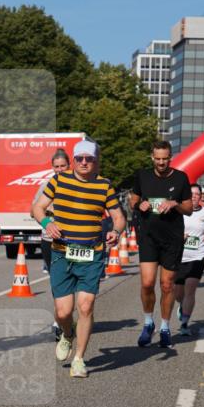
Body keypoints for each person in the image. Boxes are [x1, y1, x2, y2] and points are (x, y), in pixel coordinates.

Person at [32, 138, 125, 377]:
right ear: (73, 160)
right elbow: (37, 208)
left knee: (86, 306)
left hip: (91, 253)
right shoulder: (59, 180)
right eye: (80, 158)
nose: (84, 162)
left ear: (96, 161)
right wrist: (47, 223)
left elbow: (119, 217)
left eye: (89, 159)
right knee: (63, 312)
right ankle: (67, 333)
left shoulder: (104, 186)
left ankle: (79, 359)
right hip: (62, 252)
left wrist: (116, 232)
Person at [129, 140, 193, 348]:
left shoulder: (181, 178)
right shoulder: (143, 176)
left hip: (172, 239)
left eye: (165, 159)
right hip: (148, 237)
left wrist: (175, 204)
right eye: (157, 159)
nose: (161, 163)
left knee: (167, 285)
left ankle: (165, 327)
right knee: (147, 283)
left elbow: (189, 209)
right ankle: (148, 323)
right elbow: (132, 200)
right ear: (152, 157)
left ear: (170, 157)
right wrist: (140, 204)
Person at [174, 185, 204, 336]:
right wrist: (179, 236)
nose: (194, 196)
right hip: (179, 256)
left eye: (197, 194)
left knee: (190, 290)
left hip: (198, 256)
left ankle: (184, 323)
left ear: (201, 196)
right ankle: (182, 305)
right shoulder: (178, 211)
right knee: (178, 294)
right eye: (191, 194)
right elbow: (169, 230)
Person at [31, 149, 71, 275]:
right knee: (55, 276)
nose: (60, 170)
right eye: (56, 166)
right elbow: (33, 211)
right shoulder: (46, 185)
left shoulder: (78, 184)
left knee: (74, 275)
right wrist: (47, 221)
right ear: (52, 167)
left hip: (73, 239)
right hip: (50, 239)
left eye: (63, 166)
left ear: (69, 165)